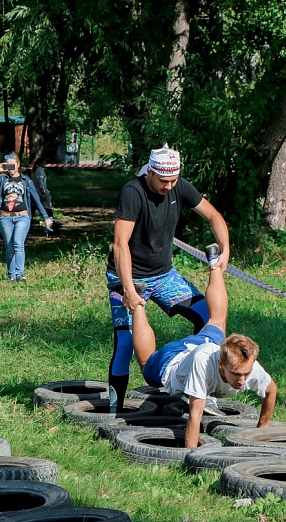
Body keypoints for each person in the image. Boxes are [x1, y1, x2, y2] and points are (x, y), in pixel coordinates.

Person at [106, 144, 230, 409]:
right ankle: (114, 411)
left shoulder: (179, 185)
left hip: (164, 276)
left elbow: (214, 216)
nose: (169, 186)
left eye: (174, 180)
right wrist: (128, 289)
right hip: (127, 276)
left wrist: (226, 250)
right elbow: (120, 244)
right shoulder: (133, 192)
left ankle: (198, 386)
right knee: (126, 343)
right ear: (150, 172)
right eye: (163, 181)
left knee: (210, 320)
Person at [131, 246, 277, 448]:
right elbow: (195, 415)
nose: (242, 380)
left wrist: (261, 430)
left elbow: (271, 391)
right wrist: (191, 458)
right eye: (236, 374)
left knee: (217, 322)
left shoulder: (247, 365)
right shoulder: (203, 365)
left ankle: (214, 262)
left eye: (246, 373)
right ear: (220, 364)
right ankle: (137, 301)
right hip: (171, 360)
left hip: (207, 341)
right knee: (146, 364)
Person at [0, 153, 53, 281]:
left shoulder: (26, 181)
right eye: (8, 165)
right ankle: (12, 276)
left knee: (18, 242)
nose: (10, 167)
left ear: (18, 164)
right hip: (5, 217)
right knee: (9, 246)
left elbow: (36, 200)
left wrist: (46, 217)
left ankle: (20, 273)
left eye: (12, 164)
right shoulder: (3, 180)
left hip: (22, 216)